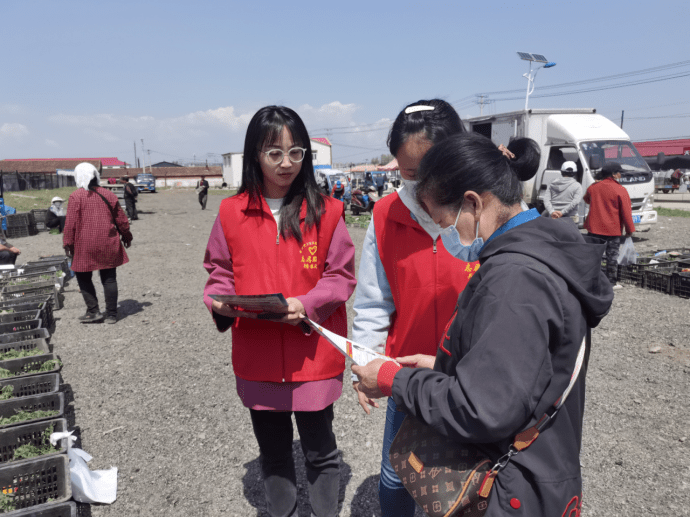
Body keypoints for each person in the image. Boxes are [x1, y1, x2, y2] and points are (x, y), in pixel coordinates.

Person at [352, 132, 614, 516]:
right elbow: (518, 377)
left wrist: (394, 380)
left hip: (511, 491)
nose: (446, 236)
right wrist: (444, 368)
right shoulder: (543, 252)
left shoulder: (513, 279)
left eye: (444, 222)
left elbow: (483, 410)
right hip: (543, 471)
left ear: (473, 203)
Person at [203, 105, 356, 517]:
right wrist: (218, 301)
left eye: (296, 152)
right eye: (274, 153)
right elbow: (218, 272)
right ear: (255, 154)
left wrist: (305, 304)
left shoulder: (327, 211)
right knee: (272, 453)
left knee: (322, 451)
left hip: (313, 355)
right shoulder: (230, 213)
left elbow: (340, 276)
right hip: (258, 354)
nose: (286, 163)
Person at [351, 99, 477, 517]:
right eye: (409, 174)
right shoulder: (387, 213)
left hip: (471, 380)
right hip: (405, 378)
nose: (422, 189)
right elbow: (373, 301)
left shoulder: (481, 213)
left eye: (433, 173)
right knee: (397, 476)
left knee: (469, 480)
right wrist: (366, 365)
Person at [63, 162, 133, 324]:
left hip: (84, 245)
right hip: (108, 242)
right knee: (109, 278)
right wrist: (127, 236)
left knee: (83, 276)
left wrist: (67, 243)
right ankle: (111, 315)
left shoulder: (76, 196)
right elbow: (122, 220)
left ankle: (93, 311)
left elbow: (70, 224)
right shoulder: (109, 195)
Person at [584, 161, 635, 290]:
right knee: (612, 257)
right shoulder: (620, 190)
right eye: (619, 173)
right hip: (613, 230)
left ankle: (592, 281)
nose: (620, 175)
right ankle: (611, 282)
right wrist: (629, 230)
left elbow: (586, 199)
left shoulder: (593, 187)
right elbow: (626, 212)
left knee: (594, 256)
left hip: (594, 228)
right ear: (614, 174)